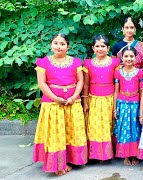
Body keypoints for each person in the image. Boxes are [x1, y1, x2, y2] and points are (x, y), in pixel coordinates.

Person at [33, 33, 87, 175]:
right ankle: (57, 164)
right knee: (56, 134)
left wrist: (74, 97)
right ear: (51, 45)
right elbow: (41, 83)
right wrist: (55, 98)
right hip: (53, 104)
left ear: (68, 47)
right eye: (56, 43)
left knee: (71, 132)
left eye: (62, 44)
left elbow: (80, 81)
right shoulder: (43, 62)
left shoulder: (76, 62)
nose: (59, 46)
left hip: (72, 103)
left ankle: (69, 160)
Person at [82, 35, 120, 161]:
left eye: (103, 46)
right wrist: (85, 101)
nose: (100, 49)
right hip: (94, 100)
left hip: (109, 99)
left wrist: (116, 102)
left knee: (109, 125)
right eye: (97, 46)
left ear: (108, 48)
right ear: (93, 48)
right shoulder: (88, 63)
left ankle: (109, 153)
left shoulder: (115, 62)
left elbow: (117, 83)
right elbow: (86, 84)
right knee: (94, 126)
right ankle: (95, 154)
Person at [113, 46, 143, 166]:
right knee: (123, 129)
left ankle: (134, 154)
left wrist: (141, 110)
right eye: (126, 56)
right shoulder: (118, 73)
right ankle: (125, 155)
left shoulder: (140, 73)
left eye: (131, 56)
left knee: (135, 129)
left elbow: (142, 92)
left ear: (135, 58)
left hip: (135, 103)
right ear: (122, 57)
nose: (129, 58)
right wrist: (115, 108)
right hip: (122, 103)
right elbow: (116, 91)